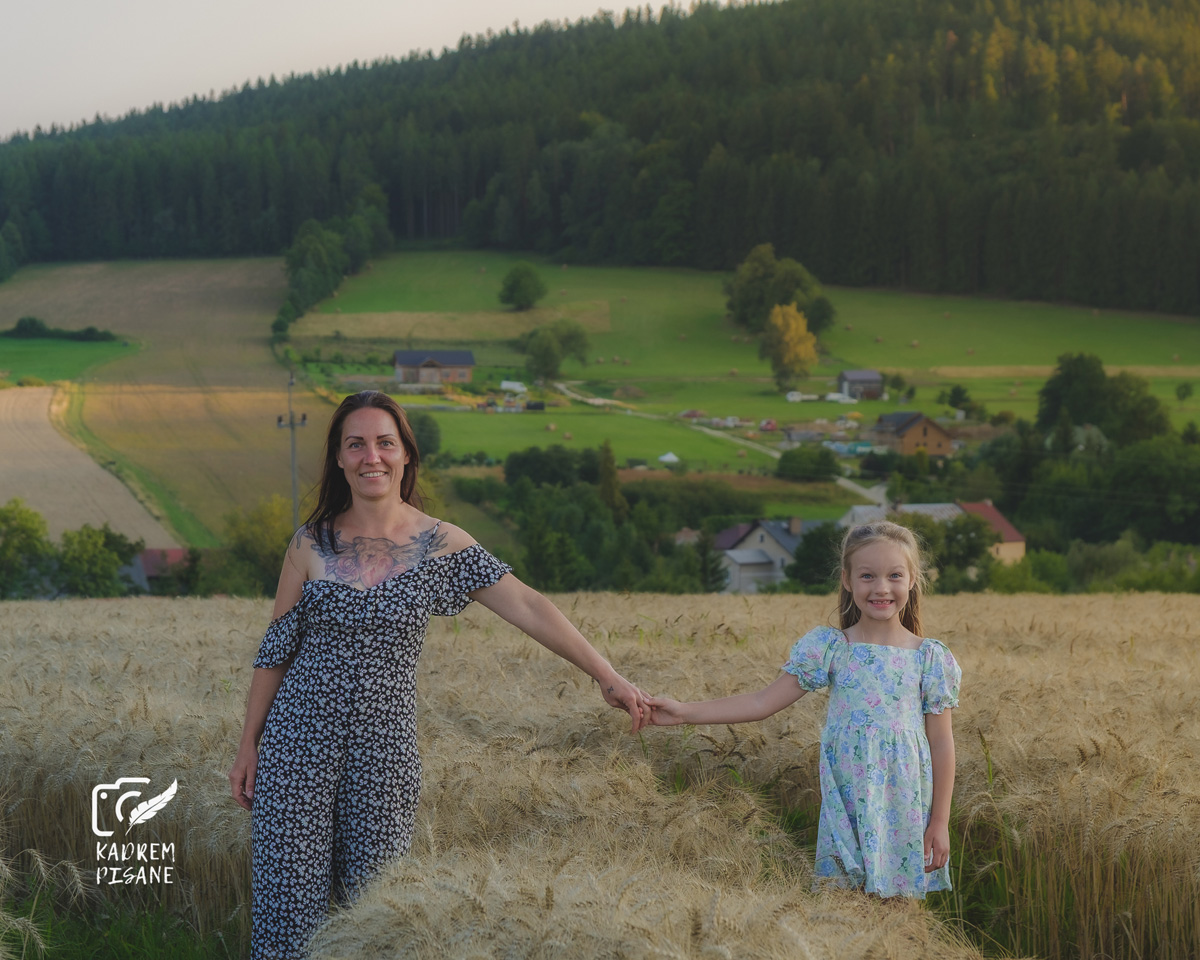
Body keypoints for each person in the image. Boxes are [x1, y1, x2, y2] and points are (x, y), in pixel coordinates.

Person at [228, 390, 649, 959]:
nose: (370, 456)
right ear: (338, 458)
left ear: (405, 455)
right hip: (297, 746)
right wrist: (249, 743)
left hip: (385, 752)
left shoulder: (440, 542)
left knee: (376, 917)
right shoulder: (310, 542)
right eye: (356, 444)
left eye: (384, 443)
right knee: (287, 920)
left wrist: (607, 675)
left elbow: (527, 605)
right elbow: (276, 647)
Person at [647, 521, 959, 898]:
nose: (881, 588)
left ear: (912, 579)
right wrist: (682, 711)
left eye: (894, 575)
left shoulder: (929, 658)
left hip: (904, 805)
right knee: (842, 905)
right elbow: (762, 703)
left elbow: (941, 743)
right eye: (867, 576)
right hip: (847, 801)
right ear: (847, 580)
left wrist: (939, 821)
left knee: (899, 911)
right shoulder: (831, 648)